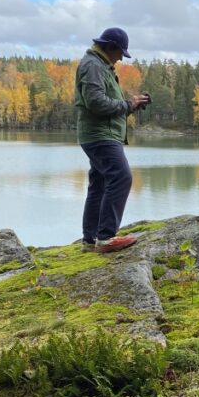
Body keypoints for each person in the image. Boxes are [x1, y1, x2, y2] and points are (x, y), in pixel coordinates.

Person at [75, 27, 150, 253]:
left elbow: (104, 101)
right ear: (110, 47)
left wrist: (131, 103)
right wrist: (127, 105)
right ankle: (106, 237)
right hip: (100, 136)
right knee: (121, 177)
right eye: (120, 53)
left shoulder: (99, 65)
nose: (120, 58)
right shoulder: (93, 65)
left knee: (99, 183)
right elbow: (96, 102)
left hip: (99, 134)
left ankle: (90, 239)